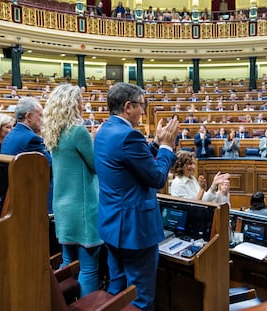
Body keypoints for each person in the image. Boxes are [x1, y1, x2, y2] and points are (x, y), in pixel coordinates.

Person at [94, 82, 178, 310]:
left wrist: (156, 144)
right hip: (135, 230)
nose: (144, 110)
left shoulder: (104, 131)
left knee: (117, 291)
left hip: (112, 226)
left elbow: (132, 163)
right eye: (142, 105)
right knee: (139, 299)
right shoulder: (129, 136)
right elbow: (157, 178)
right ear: (128, 106)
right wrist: (167, 148)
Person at [42, 84, 103, 298]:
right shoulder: (77, 131)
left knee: (68, 263)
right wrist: (96, 139)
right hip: (83, 208)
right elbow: (95, 165)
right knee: (88, 267)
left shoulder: (54, 132)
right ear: (71, 103)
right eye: (80, 100)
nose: (83, 104)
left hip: (63, 207)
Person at [1, 97, 53, 213]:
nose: (43, 120)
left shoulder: (11, 135)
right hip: (30, 199)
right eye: (40, 115)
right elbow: (50, 167)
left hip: (13, 194)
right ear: (28, 116)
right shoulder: (32, 138)